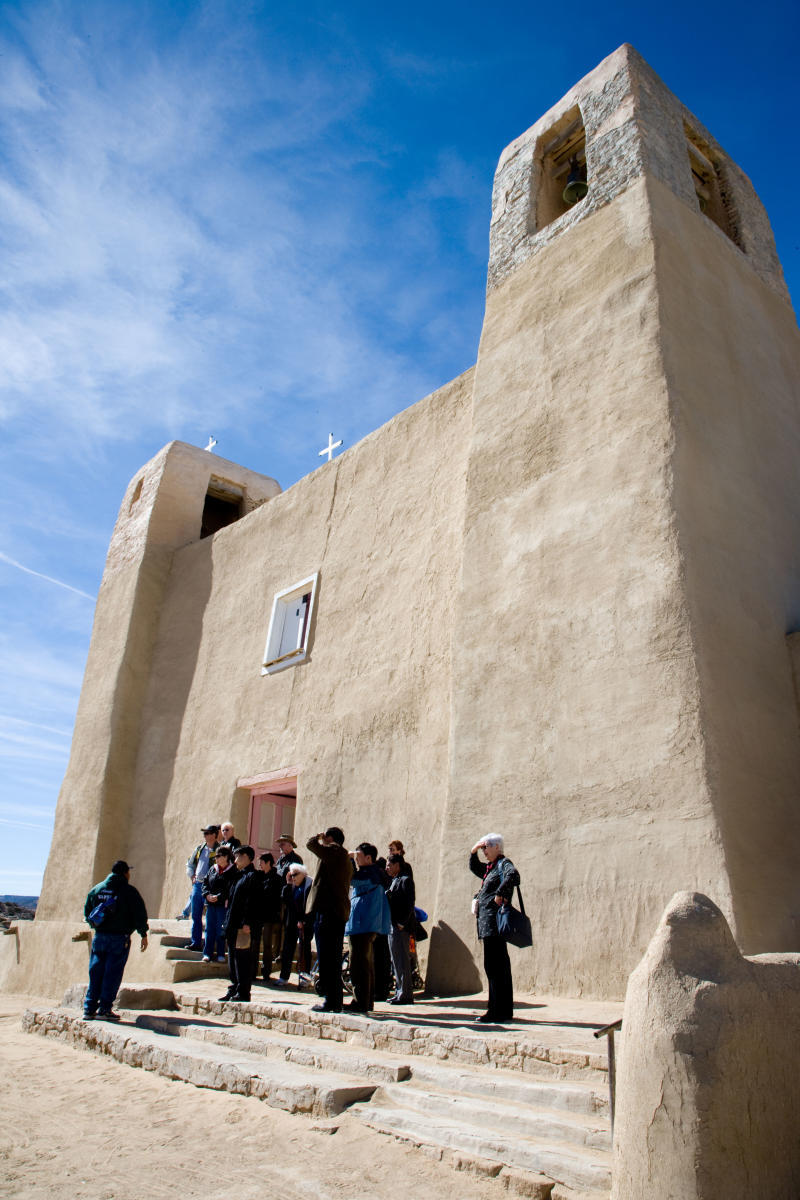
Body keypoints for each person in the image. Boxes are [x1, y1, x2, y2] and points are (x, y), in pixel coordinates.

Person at [83, 860, 148, 1020]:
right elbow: (139, 914)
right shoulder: (129, 891)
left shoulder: (97, 889)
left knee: (96, 972)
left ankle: (89, 1008)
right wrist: (143, 933)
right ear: (125, 873)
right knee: (112, 974)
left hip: (100, 937)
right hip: (119, 938)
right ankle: (105, 1009)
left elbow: (87, 912)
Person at [469, 833, 520, 1024]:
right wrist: (473, 851)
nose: (484, 851)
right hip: (487, 925)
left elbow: (513, 875)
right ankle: (502, 1009)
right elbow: (475, 867)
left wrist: (500, 894)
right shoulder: (490, 868)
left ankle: (497, 1010)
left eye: (486, 847)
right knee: (496, 967)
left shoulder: (503, 863)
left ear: (497, 847)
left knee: (495, 967)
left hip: (494, 925)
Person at [305, 827, 352, 1013]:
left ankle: (331, 1000)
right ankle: (334, 1000)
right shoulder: (340, 856)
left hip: (328, 911)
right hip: (334, 911)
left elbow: (310, 844)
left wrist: (318, 836)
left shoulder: (334, 851)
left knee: (327, 958)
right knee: (330, 958)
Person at [345, 842, 391, 1013]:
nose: (356, 859)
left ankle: (360, 1001)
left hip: (363, 925)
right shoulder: (374, 873)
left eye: (359, 856)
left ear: (368, 858)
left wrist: (348, 861)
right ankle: (366, 1001)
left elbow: (351, 879)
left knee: (358, 965)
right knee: (365, 964)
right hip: (365, 924)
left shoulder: (370, 873)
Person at [220, 845, 262, 1002]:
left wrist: (247, 922)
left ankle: (243, 991)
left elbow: (252, 902)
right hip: (233, 923)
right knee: (232, 957)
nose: (235, 860)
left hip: (243, 926)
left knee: (242, 958)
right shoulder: (237, 875)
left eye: (238, 856)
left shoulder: (253, 876)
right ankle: (234, 986)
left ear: (247, 857)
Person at [385, 852, 416, 1004]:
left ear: (397, 865)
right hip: (392, 925)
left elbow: (409, 904)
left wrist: (402, 922)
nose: (387, 868)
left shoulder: (405, 880)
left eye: (389, 865)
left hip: (400, 927)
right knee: (396, 960)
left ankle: (406, 994)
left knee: (402, 960)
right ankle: (400, 991)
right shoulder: (394, 880)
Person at [276, 863, 313, 986]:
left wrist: (304, 920)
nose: (293, 877)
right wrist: (288, 884)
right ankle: (284, 977)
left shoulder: (309, 885)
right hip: (291, 923)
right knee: (287, 950)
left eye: (295, 874)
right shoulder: (292, 886)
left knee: (304, 951)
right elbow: (284, 899)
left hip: (305, 924)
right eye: (291, 875)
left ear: (303, 873)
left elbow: (310, 905)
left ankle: (305, 978)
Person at [186, 825, 220, 950]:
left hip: (211, 887)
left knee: (210, 918)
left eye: (207, 833)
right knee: (196, 915)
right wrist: (192, 877)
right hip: (198, 884)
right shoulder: (200, 848)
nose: (205, 835)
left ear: (214, 835)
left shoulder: (220, 850)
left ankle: (209, 945)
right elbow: (190, 864)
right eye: (205, 833)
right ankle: (195, 942)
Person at [201, 846, 236, 962]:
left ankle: (221, 953)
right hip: (211, 905)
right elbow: (205, 883)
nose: (216, 858)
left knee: (220, 930)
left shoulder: (232, 871)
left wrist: (219, 897)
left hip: (223, 906)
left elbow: (231, 888)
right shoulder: (212, 869)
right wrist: (207, 895)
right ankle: (207, 953)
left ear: (226, 857)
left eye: (218, 856)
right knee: (209, 929)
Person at [256, 852, 283, 980]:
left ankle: (266, 970)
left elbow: (277, 899)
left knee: (267, 944)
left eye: (261, 862)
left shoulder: (276, 879)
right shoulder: (260, 876)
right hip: (259, 914)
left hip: (269, 916)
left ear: (268, 863)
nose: (259, 865)